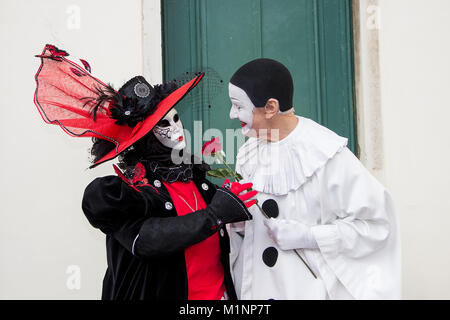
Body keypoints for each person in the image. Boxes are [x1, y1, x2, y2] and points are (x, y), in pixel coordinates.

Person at [33, 44, 257, 300]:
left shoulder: (198, 180)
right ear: (145, 137)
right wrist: (213, 215)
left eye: (176, 119)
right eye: (163, 124)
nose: (175, 128)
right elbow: (146, 241)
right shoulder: (128, 192)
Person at [227, 58, 401, 299]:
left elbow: (376, 226)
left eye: (238, 106)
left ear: (270, 107)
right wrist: (238, 223)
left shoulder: (325, 154)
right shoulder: (247, 154)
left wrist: (310, 236)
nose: (231, 115)